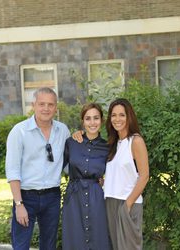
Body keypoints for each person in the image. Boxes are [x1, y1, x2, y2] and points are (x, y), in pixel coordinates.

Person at [5, 87, 70, 250]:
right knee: (21, 246)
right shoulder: (19, 131)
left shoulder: (63, 131)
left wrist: (91, 175)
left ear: (56, 107)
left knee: (49, 245)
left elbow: (69, 164)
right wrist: (19, 204)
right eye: (42, 104)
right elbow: (12, 171)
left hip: (53, 196)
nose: (46, 108)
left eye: (50, 104)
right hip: (26, 197)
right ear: (33, 105)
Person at [62, 103, 111, 250]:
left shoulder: (107, 146)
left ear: (101, 121)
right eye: (88, 118)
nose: (92, 122)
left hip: (96, 196)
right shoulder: (71, 142)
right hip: (74, 196)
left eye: (96, 118)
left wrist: (104, 181)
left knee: (98, 237)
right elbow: (57, 167)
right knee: (74, 239)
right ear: (83, 121)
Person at [104, 98, 149, 250]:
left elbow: (144, 176)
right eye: (113, 115)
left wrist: (127, 205)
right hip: (110, 202)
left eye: (122, 115)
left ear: (129, 117)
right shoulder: (113, 143)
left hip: (127, 202)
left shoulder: (136, 141)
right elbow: (118, 175)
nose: (117, 119)